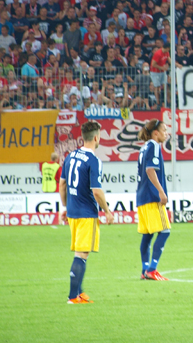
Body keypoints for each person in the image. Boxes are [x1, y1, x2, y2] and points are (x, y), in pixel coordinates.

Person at [59, 120, 114, 304]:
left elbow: (62, 184)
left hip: (74, 211)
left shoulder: (70, 156)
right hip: (86, 213)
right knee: (82, 254)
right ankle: (72, 296)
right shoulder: (94, 161)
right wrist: (107, 211)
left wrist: (65, 207)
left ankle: (79, 292)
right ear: (97, 137)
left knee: (81, 252)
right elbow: (96, 191)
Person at [136, 119, 172, 280]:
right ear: (155, 133)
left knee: (148, 234)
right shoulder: (155, 146)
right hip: (152, 197)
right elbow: (150, 170)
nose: (166, 133)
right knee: (165, 231)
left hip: (141, 197)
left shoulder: (143, 148)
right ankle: (152, 269)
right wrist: (161, 192)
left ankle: (145, 270)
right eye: (164, 130)